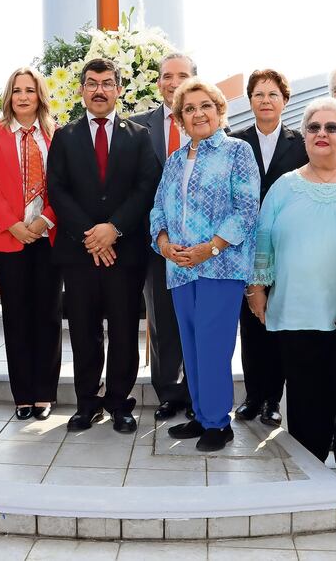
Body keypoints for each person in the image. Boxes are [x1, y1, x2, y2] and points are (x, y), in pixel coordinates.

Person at [247, 96, 336, 467]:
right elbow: (262, 239)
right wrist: (257, 289)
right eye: (313, 128)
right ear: (303, 136)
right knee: (305, 393)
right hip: (296, 307)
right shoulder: (284, 186)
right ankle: (309, 463)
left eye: (332, 127)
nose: (322, 134)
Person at [46, 58, 160, 434]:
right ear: (81, 90)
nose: (99, 90)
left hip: (124, 253)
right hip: (78, 255)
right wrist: (90, 236)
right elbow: (57, 190)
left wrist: (114, 229)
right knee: (83, 331)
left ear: (118, 90)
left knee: (125, 329)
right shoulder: (64, 136)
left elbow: (146, 188)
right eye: (92, 83)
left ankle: (119, 404)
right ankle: (87, 404)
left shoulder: (139, 135)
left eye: (107, 83)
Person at [150, 78, 260, 451]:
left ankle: (218, 423)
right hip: (179, 267)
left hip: (220, 266)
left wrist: (209, 249)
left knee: (213, 345)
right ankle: (200, 415)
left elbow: (246, 211)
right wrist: (163, 244)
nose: (198, 114)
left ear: (219, 110)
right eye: (189, 109)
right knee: (192, 345)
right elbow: (158, 208)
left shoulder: (237, 152)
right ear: (180, 118)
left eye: (205, 106)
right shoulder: (175, 160)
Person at [0, 67, 63, 420]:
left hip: (47, 236)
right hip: (5, 238)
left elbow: (65, 184)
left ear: (40, 95)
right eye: (17, 90)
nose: (23, 96)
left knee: (48, 315)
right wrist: (13, 225)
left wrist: (45, 219)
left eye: (30, 90)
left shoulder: (57, 134)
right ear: (9, 96)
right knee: (16, 316)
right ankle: (22, 395)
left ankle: (44, 393)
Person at [231, 69, 308, 429]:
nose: (265, 101)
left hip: (287, 242)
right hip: (245, 242)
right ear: (250, 101)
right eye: (259, 95)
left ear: (285, 101)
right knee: (251, 322)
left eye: (273, 95)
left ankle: (273, 400)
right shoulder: (236, 141)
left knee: (276, 320)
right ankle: (252, 396)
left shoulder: (302, 143)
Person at [130, 53, 195, 421]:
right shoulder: (137, 127)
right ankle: (169, 393)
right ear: (158, 83)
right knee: (162, 320)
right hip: (154, 241)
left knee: (195, 319)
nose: (173, 82)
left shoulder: (211, 127)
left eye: (182, 75)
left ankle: (196, 388)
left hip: (202, 247)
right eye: (167, 76)